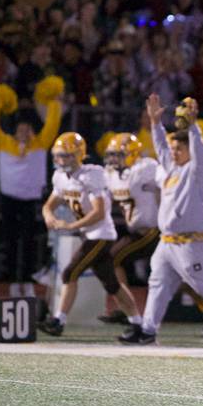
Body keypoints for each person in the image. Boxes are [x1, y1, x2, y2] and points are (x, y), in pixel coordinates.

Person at [120, 94, 203, 347]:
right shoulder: (171, 170)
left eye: (178, 149)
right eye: (173, 148)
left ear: (189, 150)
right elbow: (161, 148)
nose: (173, 152)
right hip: (167, 242)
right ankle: (148, 330)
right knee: (157, 284)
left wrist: (192, 126)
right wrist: (155, 123)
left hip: (192, 242)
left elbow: (200, 153)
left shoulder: (198, 172)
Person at [38, 132, 144, 336]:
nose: (62, 160)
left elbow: (99, 212)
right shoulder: (60, 177)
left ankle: (58, 322)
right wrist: (48, 215)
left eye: (67, 156)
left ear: (79, 154)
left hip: (101, 234)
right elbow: (49, 205)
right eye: (59, 156)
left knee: (70, 272)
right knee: (112, 284)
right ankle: (137, 323)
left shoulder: (91, 174)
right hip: (90, 234)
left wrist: (71, 226)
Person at [0, 85, 61, 296]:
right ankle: (12, 281)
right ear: (15, 131)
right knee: (10, 240)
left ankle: (26, 280)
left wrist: (53, 100)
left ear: (33, 131)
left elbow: (53, 124)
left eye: (27, 129)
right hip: (8, 199)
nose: (24, 132)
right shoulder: (4, 142)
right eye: (20, 129)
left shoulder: (40, 143)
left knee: (28, 241)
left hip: (29, 200)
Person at [100, 133, 160, 324]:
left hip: (153, 231)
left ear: (133, 154)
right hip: (137, 232)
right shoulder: (112, 175)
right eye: (112, 155)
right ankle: (126, 309)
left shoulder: (146, 168)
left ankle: (127, 310)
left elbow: (165, 187)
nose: (113, 159)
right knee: (112, 260)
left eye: (118, 155)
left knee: (111, 259)